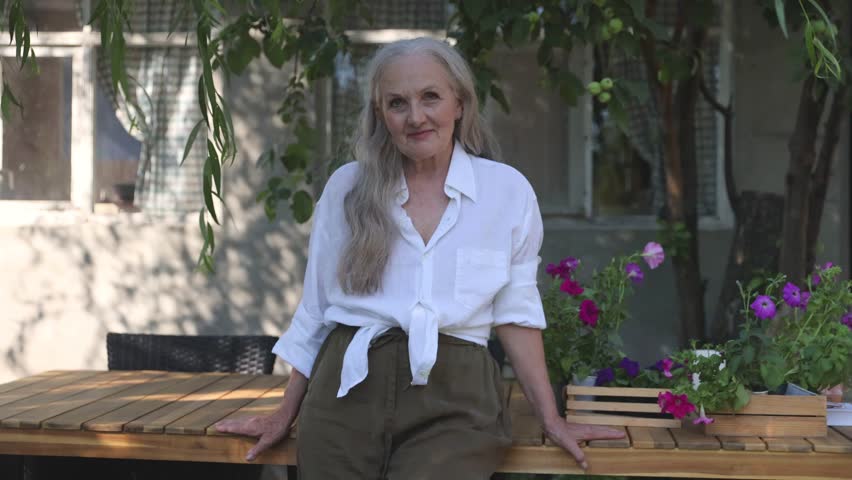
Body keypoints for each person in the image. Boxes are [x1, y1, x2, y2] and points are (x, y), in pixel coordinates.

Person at [215, 37, 624, 478]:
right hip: (345, 390)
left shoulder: (506, 192)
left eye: (431, 97)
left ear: (460, 104)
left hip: (456, 396)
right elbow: (317, 309)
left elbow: (516, 312)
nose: (416, 117)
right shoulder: (347, 188)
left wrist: (551, 417)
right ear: (380, 115)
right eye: (397, 103)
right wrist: (284, 413)